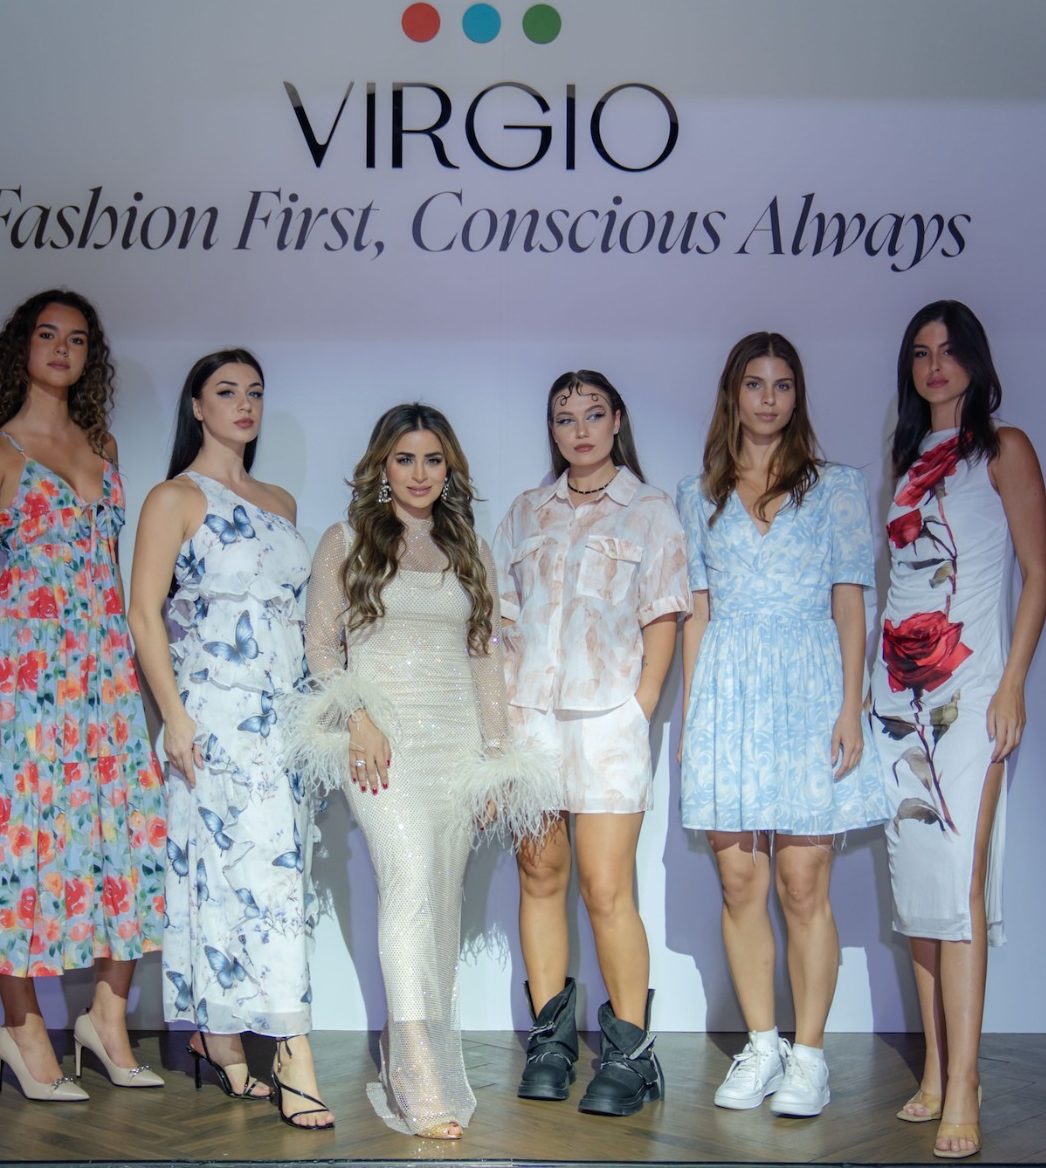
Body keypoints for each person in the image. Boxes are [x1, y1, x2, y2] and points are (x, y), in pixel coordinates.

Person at [284, 403, 558, 1139]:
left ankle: (414, 1047)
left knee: (440, 901)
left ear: (449, 468)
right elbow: (322, 647)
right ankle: (417, 1078)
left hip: (456, 746)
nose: (419, 473)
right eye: (405, 459)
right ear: (382, 466)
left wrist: (494, 760)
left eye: (433, 459)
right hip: (382, 744)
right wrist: (357, 718)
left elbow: (484, 655)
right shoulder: (345, 541)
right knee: (408, 888)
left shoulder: (467, 545)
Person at [0, 289, 166, 1101]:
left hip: (101, 673)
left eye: (77, 338)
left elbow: (110, 575)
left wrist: (132, 684)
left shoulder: (103, 446)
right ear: (21, 349)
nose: (62, 348)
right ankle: (23, 1028)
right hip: (23, 674)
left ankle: (107, 1018)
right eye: (47, 334)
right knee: (15, 844)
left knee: (122, 836)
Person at [677, 332, 889, 1120]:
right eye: (755, 384)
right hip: (728, 696)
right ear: (732, 394)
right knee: (739, 882)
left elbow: (850, 602)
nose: (768, 399)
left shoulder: (835, 488)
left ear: (798, 396)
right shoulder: (694, 495)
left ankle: (810, 1056)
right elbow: (697, 616)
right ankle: (761, 1044)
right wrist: (694, 719)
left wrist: (851, 705)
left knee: (804, 884)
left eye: (783, 385)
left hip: (809, 692)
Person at [126, 349, 332, 1129]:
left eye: (255, 392)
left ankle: (219, 1037)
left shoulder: (279, 500)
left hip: (285, 723)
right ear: (197, 407)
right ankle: (294, 1054)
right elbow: (145, 613)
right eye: (226, 391)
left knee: (273, 885)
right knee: (234, 881)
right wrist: (174, 717)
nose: (244, 404)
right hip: (214, 718)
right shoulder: (175, 497)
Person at [873, 301, 1046, 1160]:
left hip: (972, 689)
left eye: (948, 350)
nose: (934, 365)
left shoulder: (1005, 449)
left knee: (959, 882)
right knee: (916, 888)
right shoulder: (907, 462)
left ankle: (967, 1079)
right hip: (897, 695)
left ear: (975, 360)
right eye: (920, 352)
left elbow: (1039, 572)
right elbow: (899, 582)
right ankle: (937, 1070)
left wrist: (1012, 684)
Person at [491, 370, 690, 1116]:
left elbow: (663, 616)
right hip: (530, 720)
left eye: (593, 414)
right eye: (564, 417)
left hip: (609, 721)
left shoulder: (651, 511)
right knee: (539, 874)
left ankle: (631, 1055)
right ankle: (551, 1043)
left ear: (617, 420)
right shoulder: (525, 511)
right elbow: (500, 618)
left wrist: (640, 709)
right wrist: (502, 724)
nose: (579, 430)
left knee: (606, 888)